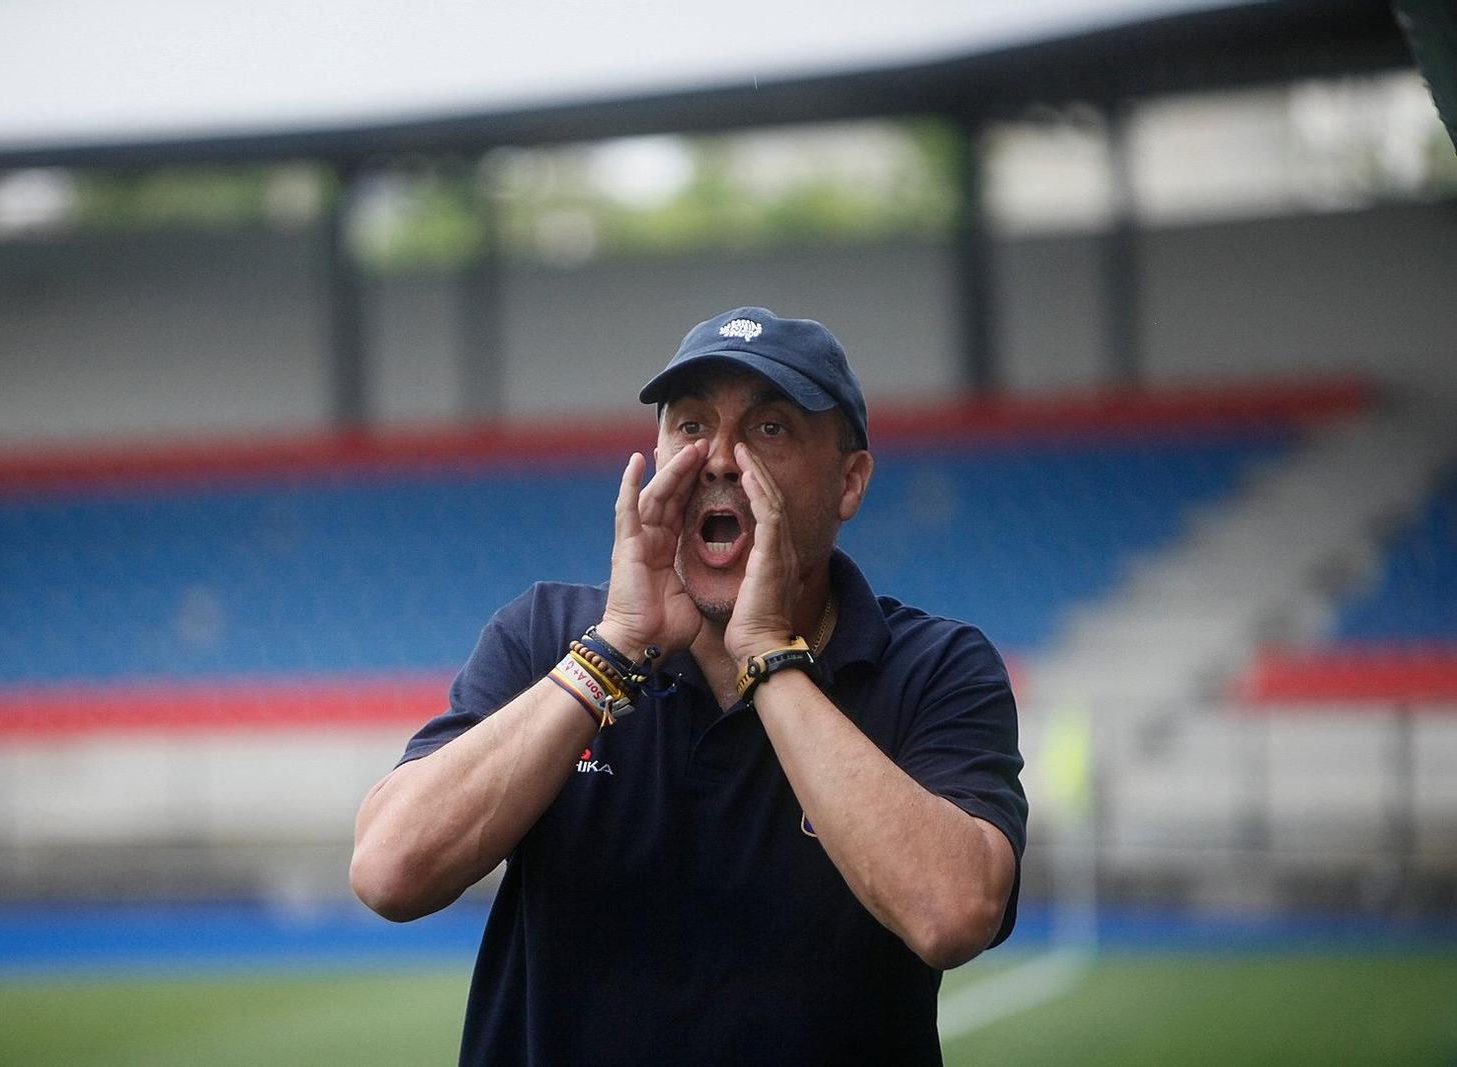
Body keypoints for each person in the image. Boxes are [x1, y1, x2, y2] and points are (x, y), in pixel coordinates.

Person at [351, 306, 1027, 1066]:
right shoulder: (547, 635)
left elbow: (953, 913)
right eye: (692, 424)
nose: (720, 458)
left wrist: (769, 656)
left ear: (849, 481)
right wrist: (609, 652)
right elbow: (388, 870)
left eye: (770, 428)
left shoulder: (934, 667)